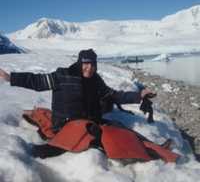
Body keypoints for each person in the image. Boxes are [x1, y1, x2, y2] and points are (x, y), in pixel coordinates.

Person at [0, 49, 165, 159]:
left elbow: (114, 95)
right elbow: (36, 80)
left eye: (93, 64)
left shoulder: (96, 80)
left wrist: (139, 95)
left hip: (90, 121)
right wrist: (10, 78)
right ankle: (41, 151)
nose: (89, 68)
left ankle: (154, 148)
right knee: (100, 135)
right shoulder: (62, 76)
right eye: (86, 63)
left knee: (119, 127)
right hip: (66, 125)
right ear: (80, 63)